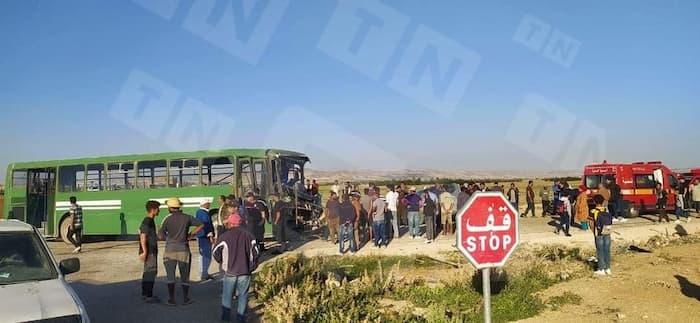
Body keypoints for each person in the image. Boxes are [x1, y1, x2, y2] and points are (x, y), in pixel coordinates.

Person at [213, 212, 260, 323]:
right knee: (243, 296)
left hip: (229, 271)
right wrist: (252, 266)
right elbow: (257, 252)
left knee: (227, 296)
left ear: (230, 223)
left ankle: (225, 318)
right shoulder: (249, 235)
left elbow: (215, 252)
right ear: (240, 223)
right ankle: (241, 318)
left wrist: (221, 262)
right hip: (245, 271)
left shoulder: (224, 237)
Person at [158, 198, 204, 306]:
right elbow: (201, 224)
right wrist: (191, 234)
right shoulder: (187, 217)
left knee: (170, 276)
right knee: (184, 275)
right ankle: (185, 298)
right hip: (184, 250)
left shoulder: (167, 219)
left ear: (170, 208)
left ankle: (171, 299)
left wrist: (168, 238)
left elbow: (160, 235)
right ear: (179, 207)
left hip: (170, 251)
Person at [139, 200, 161, 303]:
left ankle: (146, 294)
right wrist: (144, 251)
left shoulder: (150, 220)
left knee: (149, 272)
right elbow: (143, 235)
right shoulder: (147, 220)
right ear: (153, 210)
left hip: (151, 250)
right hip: (150, 251)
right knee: (150, 272)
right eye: (158, 208)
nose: (159, 210)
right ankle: (148, 296)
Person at [590, 194, 613, 276]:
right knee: (607, 250)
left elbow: (591, 224)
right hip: (607, 232)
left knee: (600, 251)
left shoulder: (593, 211)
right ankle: (608, 268)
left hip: (599, 233)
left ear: (594, 201)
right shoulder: (606, 210)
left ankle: (601, 269)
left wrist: (594, 233)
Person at [195, 199, 215, 281]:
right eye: (208, 203)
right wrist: (210, 235)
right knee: (206, 255)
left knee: (202, 254)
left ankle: (202, 272)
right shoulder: (204, 213)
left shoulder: (199, 212)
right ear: (205, 204)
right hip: (204, 236)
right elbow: (206, 225)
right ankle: (204, 274)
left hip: (201, 235)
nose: (209, 204)